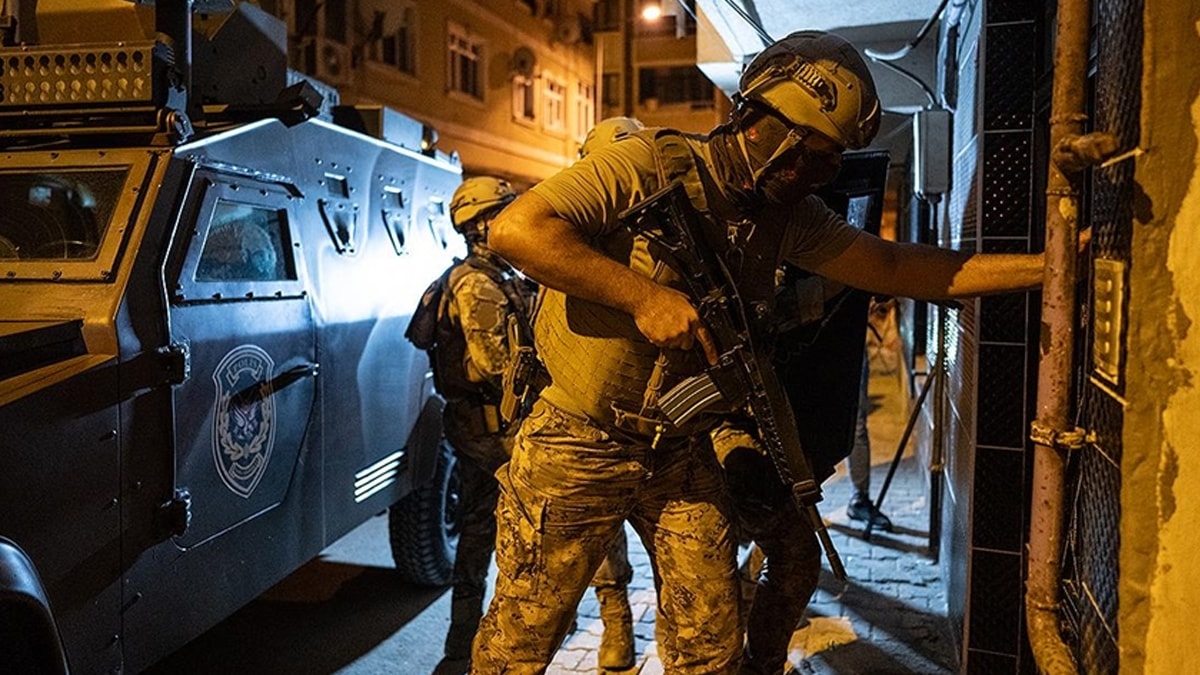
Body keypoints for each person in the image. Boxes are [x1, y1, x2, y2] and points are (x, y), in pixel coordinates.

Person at [473, 30, 1047, 674]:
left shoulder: (785, 215)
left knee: (711, 645)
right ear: (761, 124)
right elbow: (517, 230)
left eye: (831, 162)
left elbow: (894, 266)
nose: (819, 175)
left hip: (678, 449)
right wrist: (642, 296)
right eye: (812, 155)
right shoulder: (645, 165)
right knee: (519, 647)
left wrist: (1045, 269)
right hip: (579, 442)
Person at [407, 176, 527, 673]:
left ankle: (462, 647)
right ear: (480, 225)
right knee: (520, 531)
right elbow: (497, 366)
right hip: (492, 431)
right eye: (503, 212)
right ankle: (489, 646)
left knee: (481, 530)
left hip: (483, 425)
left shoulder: (496, 275)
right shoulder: (476, 284)